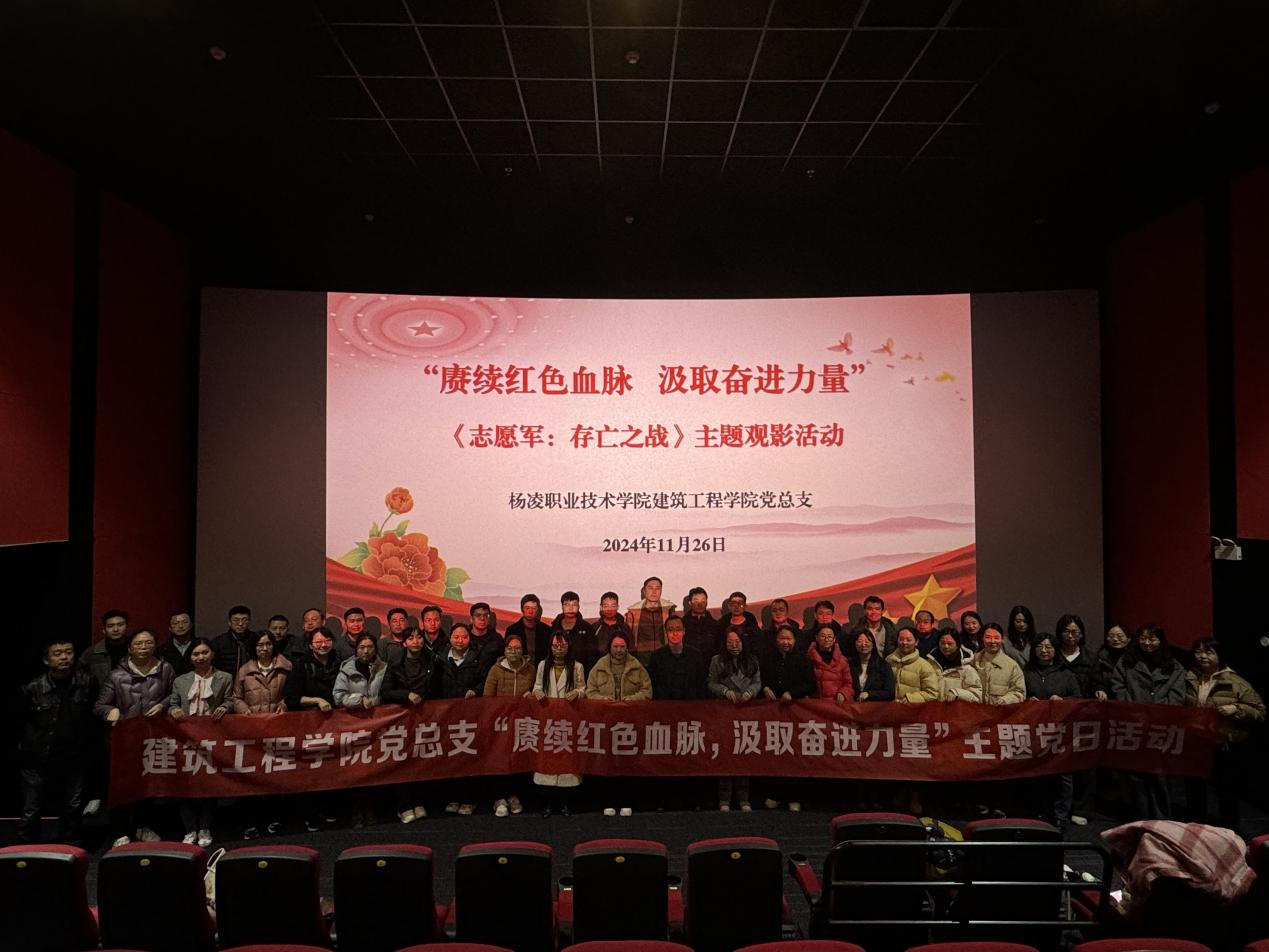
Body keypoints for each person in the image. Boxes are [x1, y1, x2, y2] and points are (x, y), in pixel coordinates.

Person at [94, 629, 175, 846]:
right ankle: (120, 831)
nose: (144, 647)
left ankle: (143, 826)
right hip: (124, 741)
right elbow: (99, 705)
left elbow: (174, 695)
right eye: (138, 644)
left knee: (147, 786)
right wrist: (110, 711)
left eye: (148, 643)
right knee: (121, 787)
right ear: (129, 648)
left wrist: (163, 705)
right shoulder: (116, 675)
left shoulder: (166, 669)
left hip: (152, 737)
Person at [17, 637, 97, 844]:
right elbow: (19, 721)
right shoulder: (32, 688)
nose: (64, 657)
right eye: (58, 653)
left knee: (73, 804)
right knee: (32, 806)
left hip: (74, 754)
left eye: (68, 652)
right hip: (37, 756)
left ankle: (69, 845)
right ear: (46, 660)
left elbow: (92, 718)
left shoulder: (87, 682)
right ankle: (26, 846)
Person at [1184, 637, 1265, 831]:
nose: (1202, 656)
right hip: (1196, 742)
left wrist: (1236, 709)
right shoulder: (1189, 677)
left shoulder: (1235, 682)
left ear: (1219, 655)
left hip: (1223, 744)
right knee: (1194, 787)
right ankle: (1195, 828)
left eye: (1209, 652)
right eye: (1198, 651)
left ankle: (1228, 831)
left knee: (1226, 790)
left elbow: (1260, 711)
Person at [1111, 623, 1186, 819]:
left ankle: (1162, 819)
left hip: (1161, 726)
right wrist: (1133, 711)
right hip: (1133, 725)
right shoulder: (1126, 661)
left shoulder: (1174, 665)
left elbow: (1177, 695)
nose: (1147, 643)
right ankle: (1141, 818)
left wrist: (1159, 714)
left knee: (1160, 774)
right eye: (1143, 638)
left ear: (1161, 641)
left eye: (1152, 638)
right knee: (1136, 775)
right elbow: (1118, 687)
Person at [167, 638, 234, 846]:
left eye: (205, 652)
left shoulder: (225, 677)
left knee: (208, 784)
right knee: (186, 784)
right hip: (186, 738)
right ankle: (189, 829)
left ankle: (205, 828)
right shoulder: (181, 680)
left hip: (212, 737)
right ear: (190, 657)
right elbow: (172, 703)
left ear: (212, 654)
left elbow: (230, 700)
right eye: (196, 654)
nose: (200, 657)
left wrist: (225, 707)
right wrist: (174, 710)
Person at [284, 626, 342, 831]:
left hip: (336, 724)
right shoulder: (301, 665)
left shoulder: (340, 662)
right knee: (311, 770)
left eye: (327, 640)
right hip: (309, 726)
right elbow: (291, 697)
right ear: (310, 645)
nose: (323, 645)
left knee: (333, 768)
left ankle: (330, 809)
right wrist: (316, 700)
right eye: (318, 642)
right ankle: (310, 814)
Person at [1024, 632, 1083, 830]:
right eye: (1040, 647)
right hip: (1035, 732)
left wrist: (1063, 701)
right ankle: (1039, 813)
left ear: (1055, 650)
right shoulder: (1027, 672)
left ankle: (1060, 817)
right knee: (1037, 775)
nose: (1044, 650)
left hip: (1061, 733)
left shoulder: (1066, 674)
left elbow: (1079, 699)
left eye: (1048, 647)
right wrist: (1027, 701)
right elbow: (1018, 695)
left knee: (1063, 777)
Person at [77, 608, 130, 816]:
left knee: (128, 758)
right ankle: (96, 796)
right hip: (100, 712)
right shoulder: (92, 653)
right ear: (104, 630)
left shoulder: (135, 648)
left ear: (126, 627)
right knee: (99, 756)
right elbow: (80, 681)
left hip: (130, 711)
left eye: (120, 625)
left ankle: (125, 797)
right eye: (111, 626)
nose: (116, 629)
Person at [759, 625, 816, 812]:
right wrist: (765, 688)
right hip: (773, 714)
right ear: (776, 640)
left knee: (794, 754)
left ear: (794, 641)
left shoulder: (803, 660)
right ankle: (776, 795)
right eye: (782, 638)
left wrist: (793, 693)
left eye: (789, 639)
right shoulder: (767, 658)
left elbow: (811, 685)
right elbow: (761, 680)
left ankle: (794, 796)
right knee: (775, 754)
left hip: (796, 713)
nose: (785, 642)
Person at [382, 625, 433, 823]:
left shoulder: (432, 661)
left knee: (421, 760)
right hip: (401, 720)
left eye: (419, 637)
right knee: (402, 762)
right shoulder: (395, 663)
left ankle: (418, 801)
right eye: (411, 638)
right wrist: (406, 695)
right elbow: (386, 691)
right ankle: (403, 805)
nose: (416, 641)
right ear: (404, 643)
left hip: (424, 719)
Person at [431, 622, 483, 815]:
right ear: (450, 639)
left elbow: (483, 680)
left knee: (469, 756)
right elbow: (434, 685)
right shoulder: (440, 658)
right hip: (447, 715)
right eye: (456, 637)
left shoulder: (477, 657)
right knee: (450, 756)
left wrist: (475, 690)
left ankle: (469, 799)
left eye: (464, 637)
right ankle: (453, 797)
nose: (460, 641)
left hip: (470, 715)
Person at [532, 632, 585, 816]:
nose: (559, 649)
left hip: (568, 719)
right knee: (548, 760)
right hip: (547, 718)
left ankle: (565, 803)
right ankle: (548, 803)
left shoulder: (577, 666)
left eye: (562, 646)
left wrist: (577, 693)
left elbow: (583, 688)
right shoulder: (542, 665)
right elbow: (537, 685)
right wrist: (537, 692)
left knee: (567, 761)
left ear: (568, 647)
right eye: (555, 646)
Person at [483, 635, 536, 818]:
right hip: (500, 722)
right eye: (510, 648)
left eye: (517, 648)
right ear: (504, 651)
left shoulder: (530, 670)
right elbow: (487, 698)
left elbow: (535, 690)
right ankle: (499, 798)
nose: (513, 652)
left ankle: (513, 795)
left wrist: (531, 695)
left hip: (521, 722)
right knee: (499, 759)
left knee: (517, 758)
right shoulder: (495, 670)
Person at [709, 631, 762, 811]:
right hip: (724, 713)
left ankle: (743, 798)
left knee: (744, 755)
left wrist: (750, 692)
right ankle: (724, 798)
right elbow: (711, 683)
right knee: (726, 755)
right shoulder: (717, 661)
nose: (734, 645)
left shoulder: (752, 660)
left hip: (746, 713)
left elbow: (757, 682)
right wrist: (724, 691)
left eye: (737, 642)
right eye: (730, 642)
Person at [647, 616, 707, 699]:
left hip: (691, 703)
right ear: (665, 632)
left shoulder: (696, 655)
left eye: (678, 629)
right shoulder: (656, 657)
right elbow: (653, 686)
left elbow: (701, 685)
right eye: (671, 630)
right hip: (665, 704)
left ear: (684, 631)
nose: (675, 633)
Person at [233, 631, 292, 714]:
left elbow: (291, 694)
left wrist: (284, 705)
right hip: (252, 718)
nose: (265, 648)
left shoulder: (286, 667)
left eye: (268, 644)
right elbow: (237, 697)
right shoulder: (245, 670)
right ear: (254, 647)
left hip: (278, 717)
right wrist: (243, 709)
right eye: (260, 645)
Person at [973, 625, 1026, 705]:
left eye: (996, 638)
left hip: (1001, 711)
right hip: (975, 711)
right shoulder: (972, 662)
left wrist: (1005, 700)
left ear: (1002, 639)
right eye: (988, 637)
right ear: (982, 638)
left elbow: (1019, 692)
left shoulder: (1012, 666)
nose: (992, 641)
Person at [334, 632, 387, 709]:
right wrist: (360, 699)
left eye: (370, 647)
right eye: (362, 647)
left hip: (380, 713)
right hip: (356, 714)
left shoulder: (384, 668)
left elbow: (389, 693)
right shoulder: (347, 670)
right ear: (356, 649)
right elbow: (338, 697)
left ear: (375, 649)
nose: (366, 651)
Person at [625, 576, 675, 657]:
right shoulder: (633, 612)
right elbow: (629, 638)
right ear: (644, 591)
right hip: (641, 657)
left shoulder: (669, 610)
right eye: (650, 588)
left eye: (658, 588)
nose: (654, 592)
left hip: (664, 656)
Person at [887, 626, 940, 703]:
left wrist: (910, 699)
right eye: (901, 639)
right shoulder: (889, 660)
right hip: (890, 706)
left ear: (916, 642)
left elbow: (932, 693)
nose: (904, 642)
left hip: (913, 708)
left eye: (909, 640)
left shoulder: (924, 666)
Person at [552, 590, 598, 670]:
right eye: (567, 604)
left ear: (579, 606)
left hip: (581, 671)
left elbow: (592, 655)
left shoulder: (587, 628)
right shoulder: (554, 627)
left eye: (574, 605)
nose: (570, 608)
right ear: (562, 607)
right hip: (557, 670)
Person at [932, 630, 983, 702]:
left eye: (950, 643)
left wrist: (957, 693)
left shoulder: (966, 668)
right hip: (934, 707)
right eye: (942, 643)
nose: (946, 646)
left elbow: (977, 696)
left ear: (957, 645)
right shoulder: (930, 663)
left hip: (958, 708)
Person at [847, 629, 896, 702]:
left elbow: (890, 693)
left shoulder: (883, 665)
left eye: (867, 641)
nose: (863, 644)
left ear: (873, 644)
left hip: (875, 706)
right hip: (852, 705)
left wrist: (869, 694)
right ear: (855, 644)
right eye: (860, 641)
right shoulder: (848, 663)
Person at [809, 625, 854, 703]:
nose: (826, 639)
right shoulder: (809, 659)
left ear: (834, 639)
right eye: (823, 636)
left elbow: (848, 683)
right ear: (817, 638)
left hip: (837, 703)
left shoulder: (842, 660)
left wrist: (843, 693)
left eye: (829, 637)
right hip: (816, 704)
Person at [212, 605, 257, 674]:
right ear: (229, 622)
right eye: (236, 620)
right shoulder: (218, 642)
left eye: (244, 620)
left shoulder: (255, 639)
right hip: (227, 678)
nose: (240, 624)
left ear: (249, 621)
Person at [505, 594, 548, 661]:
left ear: (537, 610)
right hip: (519, 667)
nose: (530, 611)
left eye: (533, 608)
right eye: (527, 608)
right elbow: (507, 655)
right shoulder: (512, 630)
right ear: (522, 609)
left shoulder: (546, 630)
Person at [468, 603, 504, 677]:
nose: (482, 618)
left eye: (486, 615)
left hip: (490, 679)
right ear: (471, 619)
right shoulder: (464, 637)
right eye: (478, 615)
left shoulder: (497, 639)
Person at [682, 586, 717, 657]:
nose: (700, 604)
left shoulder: (715, 625)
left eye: (703, 601)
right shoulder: (682, 624)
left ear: (707, 602)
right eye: (696, 601)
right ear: (690, 602)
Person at [158, 611, 197, 676]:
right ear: (170, 628)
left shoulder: (200, 645)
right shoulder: (162, 650)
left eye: (184, 622)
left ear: (191, 625)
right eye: (176, 623)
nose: (180, 626)